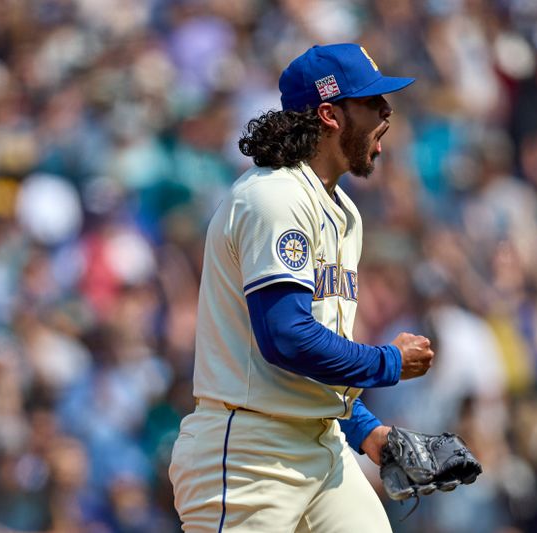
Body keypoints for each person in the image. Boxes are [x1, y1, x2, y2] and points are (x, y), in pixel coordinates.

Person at [168, 43, 435, 532]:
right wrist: (388, 363)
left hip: (322, 444)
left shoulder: (343, 212)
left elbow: (313, 362)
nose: (386, 113)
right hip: (250, 455)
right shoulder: (273, 198)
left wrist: (366, 428)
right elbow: (286, 337)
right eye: (372, 102)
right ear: (330, 115)